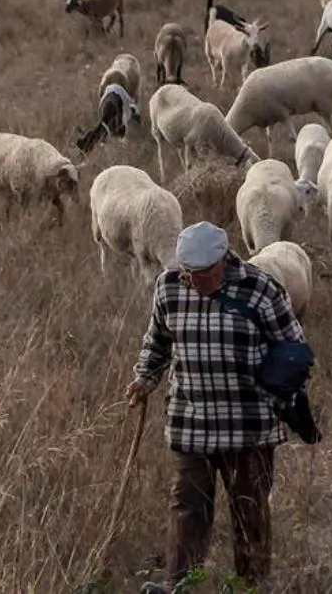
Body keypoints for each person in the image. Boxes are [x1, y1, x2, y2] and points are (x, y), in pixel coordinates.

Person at [126, 221, 308, 594]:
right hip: (190, 421)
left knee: (249, 508)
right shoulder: (169, 287)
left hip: (248, 427)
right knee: (187, 506)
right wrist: (145, 377)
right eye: (188, 273)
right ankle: (180, 585)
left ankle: (250, 586)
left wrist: (282, 391)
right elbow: (158, 341)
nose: (194, 281)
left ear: (223, 261)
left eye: (203, 273)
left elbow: (293, 349)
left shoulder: (261, 290)